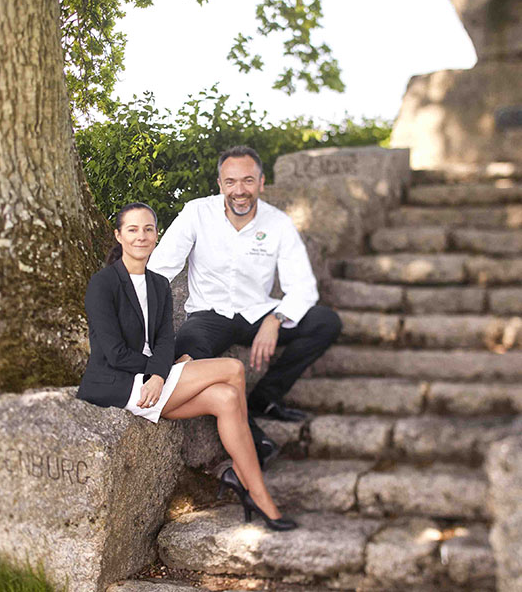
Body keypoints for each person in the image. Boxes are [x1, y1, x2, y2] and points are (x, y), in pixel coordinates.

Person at [77, 202, 296, 531]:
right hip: (117, 383)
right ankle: (257, 492)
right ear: (118, 235)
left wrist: (159, 373)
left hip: (153, 384)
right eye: (133, 230)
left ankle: (249, 486)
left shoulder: (159, 285)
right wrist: (157, 373)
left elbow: (166, 341)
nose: (141, 236)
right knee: (232, 370)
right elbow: (113, 352)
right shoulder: (103, 284)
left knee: (224, 397)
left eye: (148, 229)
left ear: (156, 236)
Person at [147, 146, 342, 467]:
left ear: (262, 183)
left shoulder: (277, 222)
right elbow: (161, 270)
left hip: (258, 312)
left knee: (326, 322)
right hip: (209, 315)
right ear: (220, 183)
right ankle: (254, 441)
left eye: (248, 181)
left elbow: (303, 286)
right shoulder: (197, 212)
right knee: (184, 358)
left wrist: (276, 318)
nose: (240, 190)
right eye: (231, 181)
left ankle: (264, 399)